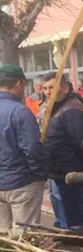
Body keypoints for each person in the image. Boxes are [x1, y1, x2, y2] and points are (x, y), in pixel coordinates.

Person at [42, 72, 83, 228]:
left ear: (65, 88)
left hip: (69, 172)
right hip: (57, 171)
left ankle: (79, 243)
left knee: (73, 217)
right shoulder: (57, 108)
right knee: (62, 215)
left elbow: (82, 143)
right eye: (45, 88)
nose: (47, 92)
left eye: (51, 87)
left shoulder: (72, 110)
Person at [0, 64, 47, 232]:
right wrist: (40, 174)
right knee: (26, 240)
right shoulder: (21, 112)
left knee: (4, 240)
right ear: (19, 84)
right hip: (22, 184)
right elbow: (33, 149)